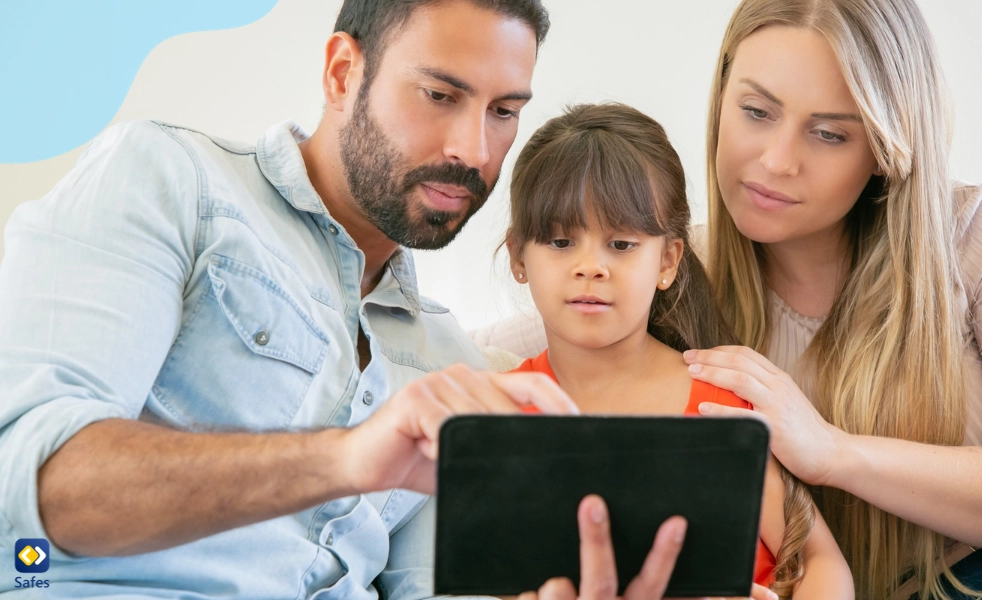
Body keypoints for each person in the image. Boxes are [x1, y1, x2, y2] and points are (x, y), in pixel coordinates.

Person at [0, 1, 692, 598]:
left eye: (503, 111)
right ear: (342, 73)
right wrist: (344, 459)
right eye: (440, 95)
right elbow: (32, 482)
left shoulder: (454, 364)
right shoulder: (170, 182)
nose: (473, 149)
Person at [472, 0, 982, 598]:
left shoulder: (978, 235)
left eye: (828, 133)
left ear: (886, 147)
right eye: (756, 112)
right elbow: (552, 323)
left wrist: (835, 453)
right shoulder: (666, 267)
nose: (775, 161)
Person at [504, 103, 853, 598]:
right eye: (561, 241)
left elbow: (822, 562)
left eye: (621, 244)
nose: (590, 267)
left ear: (667, 260)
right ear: (519, 256)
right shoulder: (500, 414)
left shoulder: (719, 404)